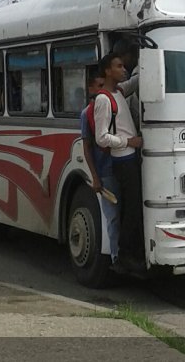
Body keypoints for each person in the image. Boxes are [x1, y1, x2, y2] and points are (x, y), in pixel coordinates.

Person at [94, 53, 144, 274]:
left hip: (130, 158)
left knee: (133, 207)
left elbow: (135, 80)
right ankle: (124, 255)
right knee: (131, 209)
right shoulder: (104, 99)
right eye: (119, 66)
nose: (124, 69)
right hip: (122, 160)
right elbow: (101, 137)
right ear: (107, 71)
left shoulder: (119, 93)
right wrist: (128, 141)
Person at [80, 72, 120, 264]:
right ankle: (115, 257)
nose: (103, 89)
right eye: (99, 85)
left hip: (120, 166)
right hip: (104, 171)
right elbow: (87, 147)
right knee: (112, 217)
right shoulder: (87, 113)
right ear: (91, 89)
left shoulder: (115, 106)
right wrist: (95, 177)